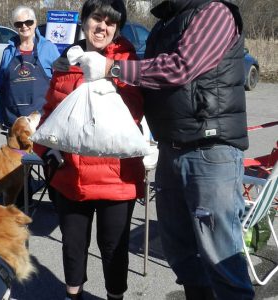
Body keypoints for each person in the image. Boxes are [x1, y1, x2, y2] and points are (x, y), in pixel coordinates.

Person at [83, 0, 255, 299]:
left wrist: (113, 68)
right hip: (170, 149)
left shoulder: (214, 11)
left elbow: (181, 67)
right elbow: (149, 80)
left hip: (209, 152)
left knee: (221, 257)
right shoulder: (164, 23)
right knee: (182, 253)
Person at [33, 1, 145, 299]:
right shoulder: (67, 60)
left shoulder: (128, 62)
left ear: (117, 28)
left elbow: (134, 113)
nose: (102, 27)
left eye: (110, 23)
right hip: (70, 175)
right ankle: (73, 295)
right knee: (72, 244)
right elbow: (49, 115)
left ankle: (115, 296)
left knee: (113, 247)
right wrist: (46, 152)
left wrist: (109, 75)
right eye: (97, 18)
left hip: (117, 177)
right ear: (84, 21)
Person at [0, 5, 60, 130]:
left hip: (42, 122)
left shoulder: (48, 48)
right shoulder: (8, 52)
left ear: (35, 23)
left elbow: (61, 82)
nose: (24, 26)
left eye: (28, 22)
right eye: (19, 24)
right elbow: (1, 88)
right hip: (14, 123)